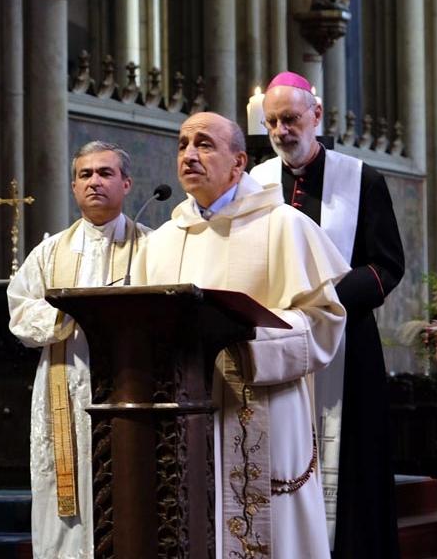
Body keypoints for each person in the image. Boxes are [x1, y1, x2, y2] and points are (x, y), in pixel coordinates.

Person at [132, 112, 349, 558]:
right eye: (183, 144)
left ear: (239, 162)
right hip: (182, 413)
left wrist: (251, 344)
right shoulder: (162, 240)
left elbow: (324, 319)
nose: (189, 154)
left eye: (205, 144)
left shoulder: (282, 225)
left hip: (261, 403)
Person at [251, 71, 405, 559]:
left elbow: (387, 266)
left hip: (347, 342)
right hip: (275, 347)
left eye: (291, 119)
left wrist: (328, 300)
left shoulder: (362, 178)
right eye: (272, 122)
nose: (281, 131)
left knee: (354, 464)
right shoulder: (255, 184)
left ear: (316, 116)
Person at [6, 141, 149, 559]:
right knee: (65, 503)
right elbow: (19, 312)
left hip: (131, 390)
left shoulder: (152, 247)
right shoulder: (49, 253)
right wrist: (67, 316)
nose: (94, 182)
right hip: (65, 390)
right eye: (85, 175)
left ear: (126, 183)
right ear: (73, 187)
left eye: (105, 173)